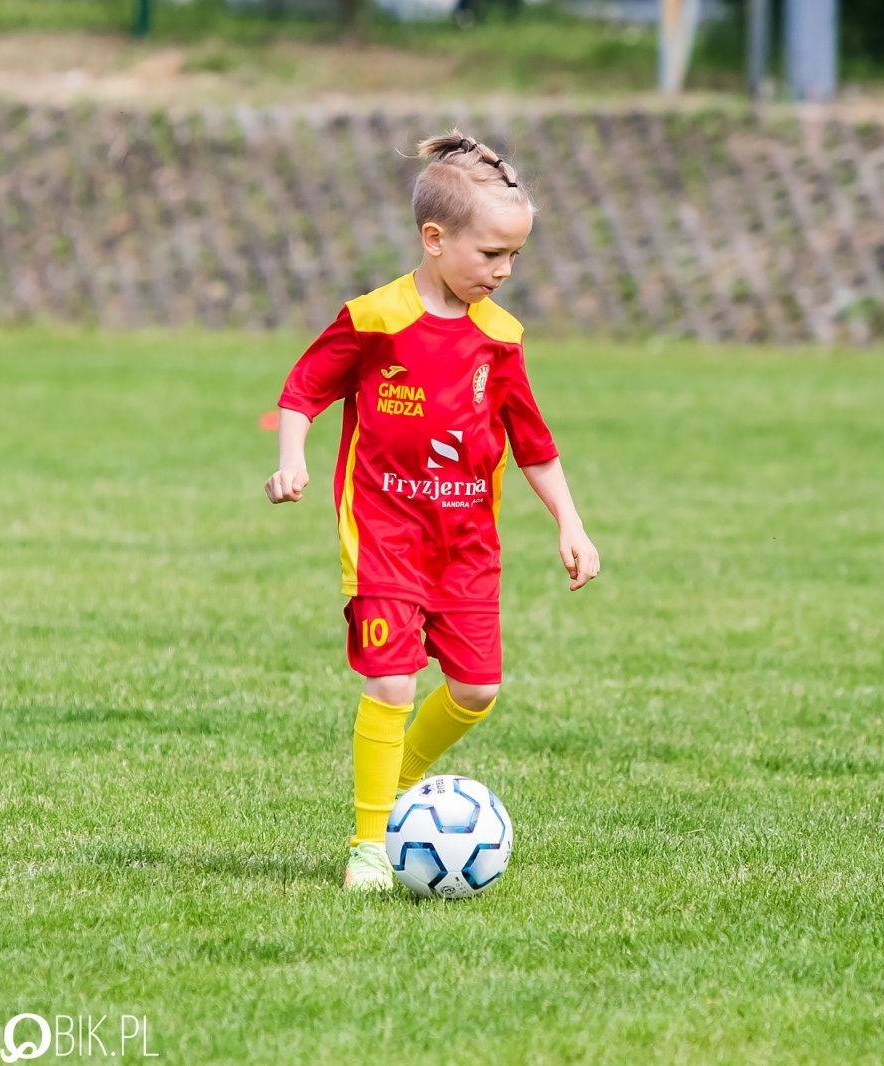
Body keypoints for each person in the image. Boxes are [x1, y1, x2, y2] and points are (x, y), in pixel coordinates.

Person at [265, 132, 600, 890]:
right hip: (385, 538)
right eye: (491, 255)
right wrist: (293, 459)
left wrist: (569, 523)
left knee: (478, 690)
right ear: (435, 239)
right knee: (392, 684)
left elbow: (533, 443)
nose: (505, 271)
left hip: (468, 547)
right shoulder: (376, 318)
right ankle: (369, 844)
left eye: (515, 257)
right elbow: (303, 389)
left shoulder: (501, 339)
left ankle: (398, 788)